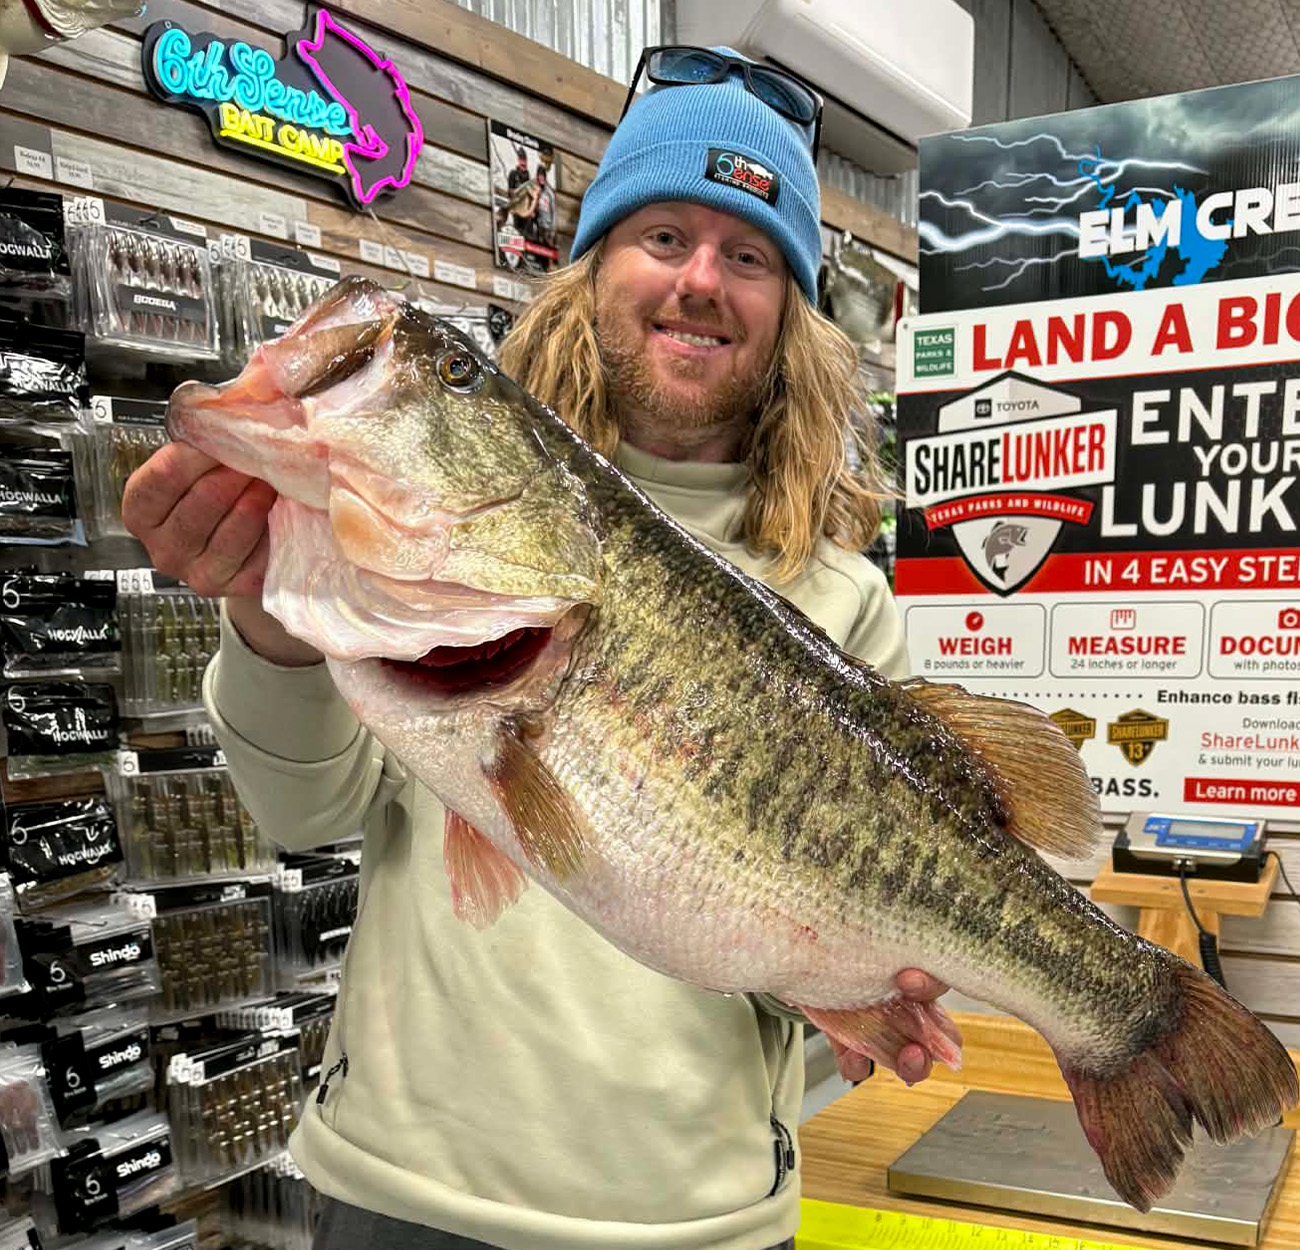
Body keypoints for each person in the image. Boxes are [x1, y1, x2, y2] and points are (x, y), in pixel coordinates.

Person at [121, 44, 953, 1250]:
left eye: (750, 253)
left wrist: (850, 992)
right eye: (661, 236)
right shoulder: (441, 524)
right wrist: (268, 616)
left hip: (699, 1217)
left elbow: (795, 935)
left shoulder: (845, 602)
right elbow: (303, 813)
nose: (701, 280)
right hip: (400, 1190)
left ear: (794, 315)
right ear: (591, 272)